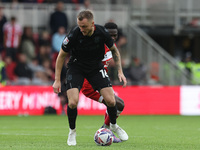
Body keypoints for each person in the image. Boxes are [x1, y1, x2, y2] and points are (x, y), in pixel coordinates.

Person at [52, 10, 128, 146]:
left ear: (92, 24)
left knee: (112, 101)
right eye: (79, 26)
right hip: (76, 68)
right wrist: (57, 79)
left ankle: (113, 126)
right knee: (73, 102)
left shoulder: (102, 33)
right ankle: (72, 131)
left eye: (84, 27)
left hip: (95, 68)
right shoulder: (74, 34)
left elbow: (115, 51)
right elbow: (61, 55)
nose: (81, 29)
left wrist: (120, 72)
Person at [81, 22, 124, 143]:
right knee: (117, 105)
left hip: (100, 82)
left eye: (115, 35)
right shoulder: (96, 45)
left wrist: (120, 72)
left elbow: (116, 55)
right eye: (110, 35)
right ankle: (105, 131)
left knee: (117, 105)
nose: (113, 38)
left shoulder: (110, 46)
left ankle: (105, 131)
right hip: (90, 86)